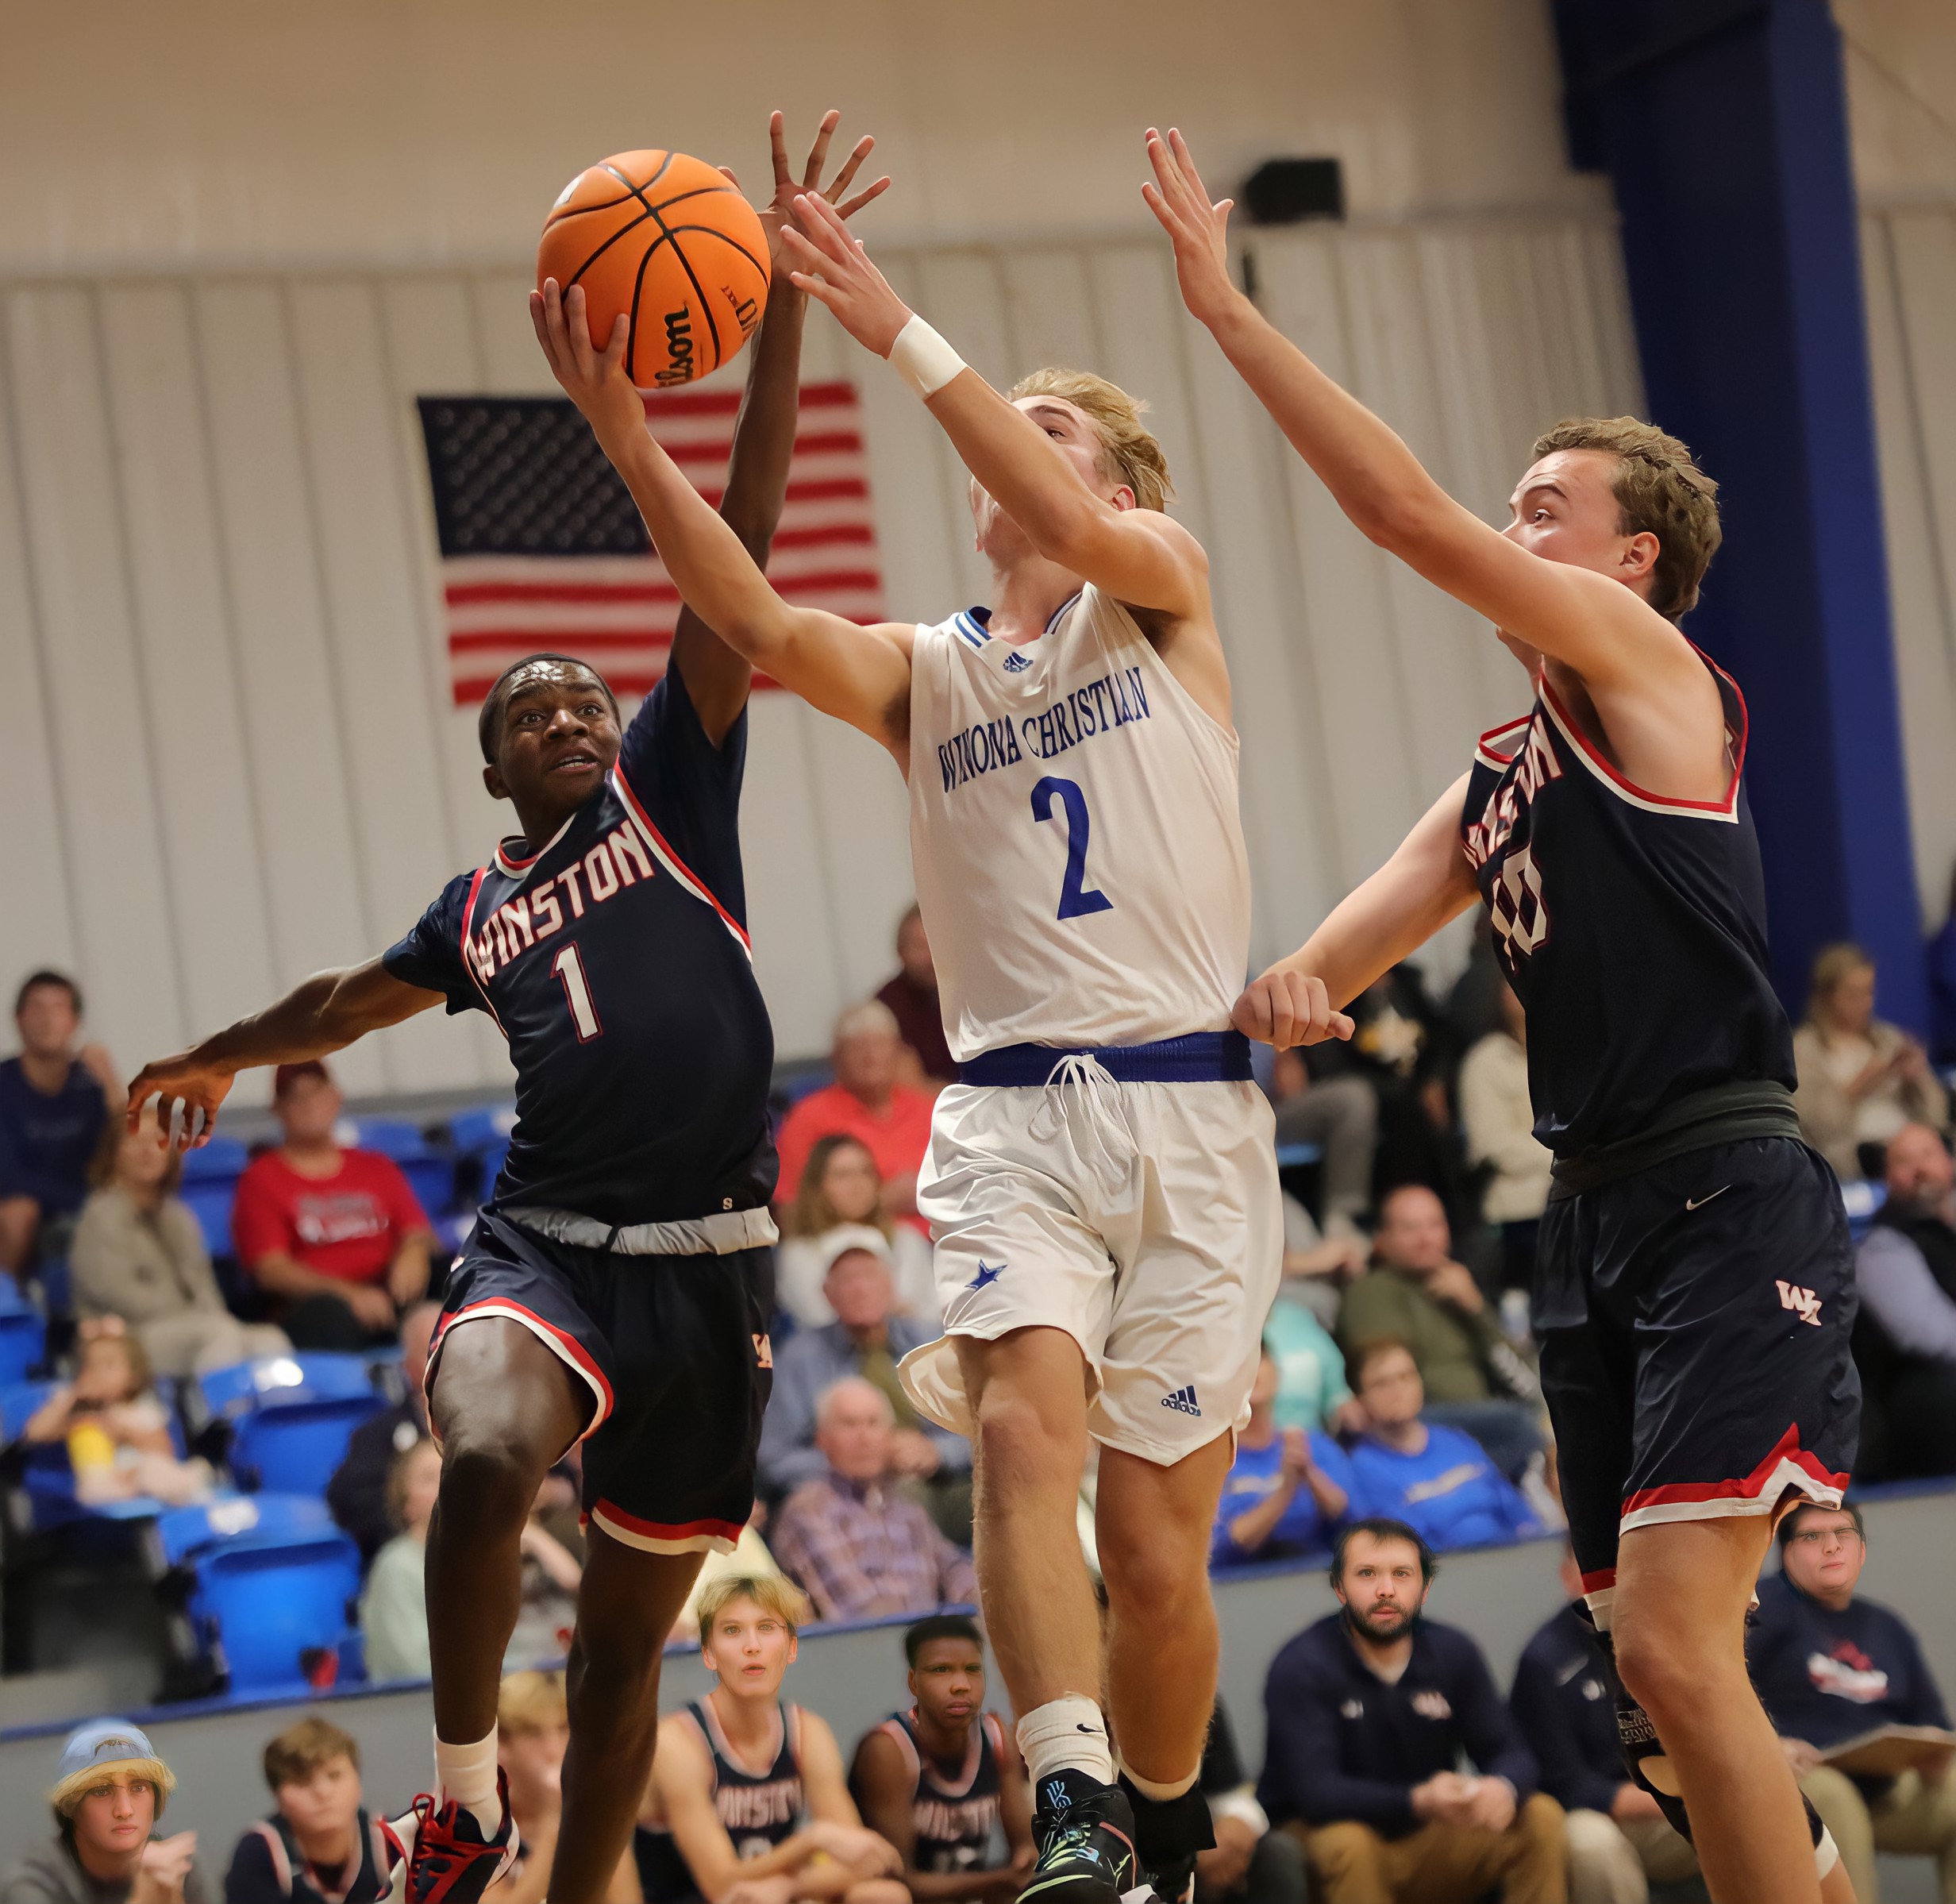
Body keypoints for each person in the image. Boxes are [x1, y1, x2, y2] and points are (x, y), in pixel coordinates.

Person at [124, 113, 889, 1904]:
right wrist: (214, 1053)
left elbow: (744, 531)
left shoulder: (671, 786)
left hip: (714, 1269)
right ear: (493, 764)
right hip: (545, 1235)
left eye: (583, 697)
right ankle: (463, 1802)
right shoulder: (477, 904)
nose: (568, 711)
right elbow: (344, 1000)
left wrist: (779, 299)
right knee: (478, 1447)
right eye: (533, 707)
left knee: (622, 1664)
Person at [536, 160, 1310, 1904]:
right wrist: (626, 435)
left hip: (1188, 1112)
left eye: (1048, 430)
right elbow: (750, 619)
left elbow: (1067, 508)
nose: (1008, 449)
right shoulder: (924, 669)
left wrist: (889, 319)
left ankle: (1162, 1825)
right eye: (1002, 429)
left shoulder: (1157, 587)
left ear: (1112, 484)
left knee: (1158, 1563)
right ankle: (1074, 1802)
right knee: (1022, 1436)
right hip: (1013, 1112)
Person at [1145, 125, 1861, 1904]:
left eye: (1545, 507)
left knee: (1677, 1648)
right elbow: (1343, 950)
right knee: (1649, 1679)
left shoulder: (1654, 672)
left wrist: (1226, 316)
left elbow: (1398, 516)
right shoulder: (1500, 772)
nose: (1510, 520)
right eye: (1513, 500)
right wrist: (1271, 994)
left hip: (1721, 1193)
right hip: (1588, 1215)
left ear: (1629, 560)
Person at [1257, 1520, 1565, 1903]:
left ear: (1425, 1588)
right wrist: (1419, 1799)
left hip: (1425, 1833)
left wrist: (1502, 1786)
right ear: (1339, 1588)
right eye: (1367, 1574)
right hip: (1321, 1836)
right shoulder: (1302, 1665)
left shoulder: (1453, 1652)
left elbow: (1509, 1749)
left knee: (1538, 1814)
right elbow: (1319, 1794)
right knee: (1350, 1843)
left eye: (1402, 1574)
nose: (1386, 1589)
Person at [634, 1573, 907, 1904]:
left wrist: (792, 1888)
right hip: (693, 1897)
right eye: (732, 1630)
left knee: (884, 1895)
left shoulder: (807, 1731)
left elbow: (863, 1861)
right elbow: (721, 1886)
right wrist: (813, 1840)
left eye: (766, 1628)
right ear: (708, 1653)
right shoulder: (678, 1741)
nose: (752, 1646)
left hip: (768, 1894)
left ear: (791, 1648)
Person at [1749, 1501, 1956, 1904]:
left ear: (1861, 1550)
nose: (1832, 1547)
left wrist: (1933, 1751)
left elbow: (1931, 1718)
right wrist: (1769, 1747)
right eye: (1812, 1536)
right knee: (1833, 1797)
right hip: (1798, 1776)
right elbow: (1720, 1697)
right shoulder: (1760, 1613)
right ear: (1785, 1551)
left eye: (1843, 1534)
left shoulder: (1886, 1626)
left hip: (1883, 1780)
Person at [1510, 1549, 1698, 1904]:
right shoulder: (1543, 1660)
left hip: (1668, 1796)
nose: (1610, 1579)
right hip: (1590, 1812)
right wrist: (1670, 1797)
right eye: (1591, 1567)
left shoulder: (1669, 1636)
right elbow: (1563, 1784)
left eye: (1619, 1565)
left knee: (1748, 1817)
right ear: (1568, 1577)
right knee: (1595, 1846)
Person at [71, 1100, 290, 1379]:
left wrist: (212, 1316)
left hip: (190, 1326)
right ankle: (214, 1407)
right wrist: (199, 1317)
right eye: (135, 1140)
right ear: (113, 1153)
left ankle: (273, 1407)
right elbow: (121, 1298)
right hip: (127, 1337)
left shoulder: (179, 1216)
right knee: (218, 1335)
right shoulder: (99, 1217)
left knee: (269, 1339)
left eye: (159, 1139)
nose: (148, 1150)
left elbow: (205, 1288)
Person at [1337, 1185, 1542, 1482]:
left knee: (1540, 1416)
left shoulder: (1459, 1288)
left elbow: (1525, 1380)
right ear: (1382, 1239)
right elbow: (1391, 1385)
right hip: (1422, 1421)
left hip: (1485, 1417)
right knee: (1521, 1429)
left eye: (1435, 1225)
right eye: (1410, 1228)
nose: (1425, 1238)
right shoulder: (1371, 1292)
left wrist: (1475, 1309)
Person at [229, 1061, 437, 1350]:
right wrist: (349, 1295)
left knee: (453, 1275)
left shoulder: (376, 1166)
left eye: (317, 1092)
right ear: (278, 1109)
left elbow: (419, 1232)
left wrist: (414, 1252)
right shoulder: (260, 1179)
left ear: (335, 1098)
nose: (309, 1105)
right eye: (296, 1096)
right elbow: (271, 1270)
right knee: (327, 1313)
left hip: (390, 1291)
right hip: (319, 1307)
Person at [758, 1238, 965, 1512]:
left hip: (937, 1482)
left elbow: (980, 1431)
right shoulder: (799, 1359)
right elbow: (773, 1457)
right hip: (839, 1497)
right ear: (827, 1294)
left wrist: (937, 1452)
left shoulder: (930, 1342)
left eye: (870, 1277)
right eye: (847, 1281)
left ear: (891, 1286)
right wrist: (852, 1462)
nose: (860, 1289)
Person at [849, 1613, 1034, 1902]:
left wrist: (1024, 1865)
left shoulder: (995, 1737)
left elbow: (1024, 1848)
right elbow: (900, 1878)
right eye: (941, 1670)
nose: (961, 1685)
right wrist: (1001, 1880)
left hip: (974, 1889)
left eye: (972, 1670)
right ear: (914, 1683)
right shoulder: (889, 1749)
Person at [769, 1376, 978, 1621]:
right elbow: (858, 1611)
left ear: (890, 1436)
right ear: (821, 1439)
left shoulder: (909, 1511)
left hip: (926, 1637)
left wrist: (980, 1603)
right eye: (849, 1424)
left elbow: (956, 1571)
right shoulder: (808, 1511)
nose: (864, 1437)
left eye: (873, 1423)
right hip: (869, 1642)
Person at [1342, 1342, 1542, 1555]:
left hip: (1511, 1556)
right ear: (1360, 1399)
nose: (1397, 1390)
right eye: (1382, 1384)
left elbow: (1513, 1508)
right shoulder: (1363, 1468)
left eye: (1406, 1376)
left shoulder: (1456, 1440)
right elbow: (1410, 1548)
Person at [1794, 944, 1950, 1183]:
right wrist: (1863, 1084)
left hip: (1909, 1141)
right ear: (1827, 996)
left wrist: (1915, 1081)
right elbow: (1815, 1129)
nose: (1865, 1003)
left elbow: (1936, 1115)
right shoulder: (1804, 1049)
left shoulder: (1889, 1039)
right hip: (1857, 1157)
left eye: (1869, 991)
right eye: (1853, 994)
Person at [2, 1719, 202, 1904]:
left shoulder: (180, 1868)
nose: (124, 1810)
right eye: (101, 1791)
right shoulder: (33, 1884)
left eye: (138, 1787)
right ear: (70, 1805)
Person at [1, 970, 120, 1278]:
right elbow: (9, 1178)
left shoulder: (91, 1083)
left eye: (58, 1008)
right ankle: (9, 1299)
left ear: (75, 1022)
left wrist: (112, 1084)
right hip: (25, 1210)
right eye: (37, 1008)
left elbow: (129, 1151)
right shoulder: (4, 1085)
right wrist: (86, 1204)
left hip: (88, 1206)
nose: (47, 1019)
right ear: (19, 1019)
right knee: (19, 1212)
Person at [1854, 1124, 1956, 1481]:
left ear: (1950, 1164)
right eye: (1904, 1161)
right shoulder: (1881, 1245)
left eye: (1928, 1155)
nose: (1920, 1169)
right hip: (1919, 1405)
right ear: (1887, 1178)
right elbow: (1930, 1336)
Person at [24, 1324, 214, 1507]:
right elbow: (34, 1434)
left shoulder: (140, 1410)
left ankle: (190, 1488)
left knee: (153, 1470)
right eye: (90, 1365)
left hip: (137, 1477)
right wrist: (71, 1398)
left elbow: (164, 1450)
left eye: (108, 1365)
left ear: (133, 1376)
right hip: (99, 1486)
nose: (98, 1373)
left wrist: (124, 1433)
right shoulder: (74, 1408)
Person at [774, 1004, 936, 1216]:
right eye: (857, 1047)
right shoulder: (808, 1118)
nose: (870, 1056)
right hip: (855, 1236)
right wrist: (878, 1202)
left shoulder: (929, 1109)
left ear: (898, 1052)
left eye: (880, 1045)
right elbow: (788, 1213)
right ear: (836, 1057)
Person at [495, 1672, 638, 1904]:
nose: (553, 1750)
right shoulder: (483, 1823)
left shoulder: (594, 1814)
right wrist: (554, 1822)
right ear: (502, 1743)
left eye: (564, 1728)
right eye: (533, 1733)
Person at [1211, 1346, 1356, 1567]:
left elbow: (1355, 1523)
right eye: (1238, 1364)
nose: (1251, 1369)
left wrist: (1308, 1472)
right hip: (1245, 1582)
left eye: (1259, 1358)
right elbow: (1219, 1548)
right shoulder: (1213, 1462)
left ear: (1277, 1374)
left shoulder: (1314, 1445)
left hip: (1320, 1575)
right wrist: (1285, 1490)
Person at [774, 1139, 937, 1330]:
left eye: (865, 1172)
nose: (857, 1184)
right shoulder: (799, 1252)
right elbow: (818, 1319)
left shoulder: (907, 1239)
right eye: (843, 1175)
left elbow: (934, 1312)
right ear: (817, 1186)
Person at [223, 1718, 391, 1904]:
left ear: (358, 1783)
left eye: (334, 1776)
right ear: (278, 1796)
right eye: (302, 1781)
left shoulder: (394, 1838)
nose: (323, 1792)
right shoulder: (258, 1852)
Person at [326, 1301, 441, 1562]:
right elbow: (352, 1503)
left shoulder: (500, 1424)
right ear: (408, 1367)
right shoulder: (377, 1436)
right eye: (435, 1351)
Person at [1457, 981, 1550, 1294]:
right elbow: (1493, 1146)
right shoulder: (1485, 1061)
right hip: (1519, 1208)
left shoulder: (1572, 1050)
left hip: (1582, 1192)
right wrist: (1564, 1153)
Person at [1188, 1705, 1306, 1904]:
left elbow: (1228, 1792)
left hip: (1199, 1839)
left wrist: (1236, 1827)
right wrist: (1191, 1855)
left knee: (1278, 1853)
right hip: (1143, 1851)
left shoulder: (1203, 1701)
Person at [1268, 1048, 1377, 1240]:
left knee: (1353, 1098)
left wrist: (1285, 1054)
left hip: (1274, 1107)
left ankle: (1343, 1223)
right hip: (1224, 1109)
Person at [360, 1436, 441, 1682]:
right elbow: (416, 1667)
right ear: (407, 1503)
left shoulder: (487, 1561)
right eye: (430, 1478)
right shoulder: (397, 1568)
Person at [877, 905, 957, 1087]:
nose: (931, 958)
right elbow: (907, 1085)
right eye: (920, 947)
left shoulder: (971, 997)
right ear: (901, 952)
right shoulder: (888, 1008)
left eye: (937, 946)